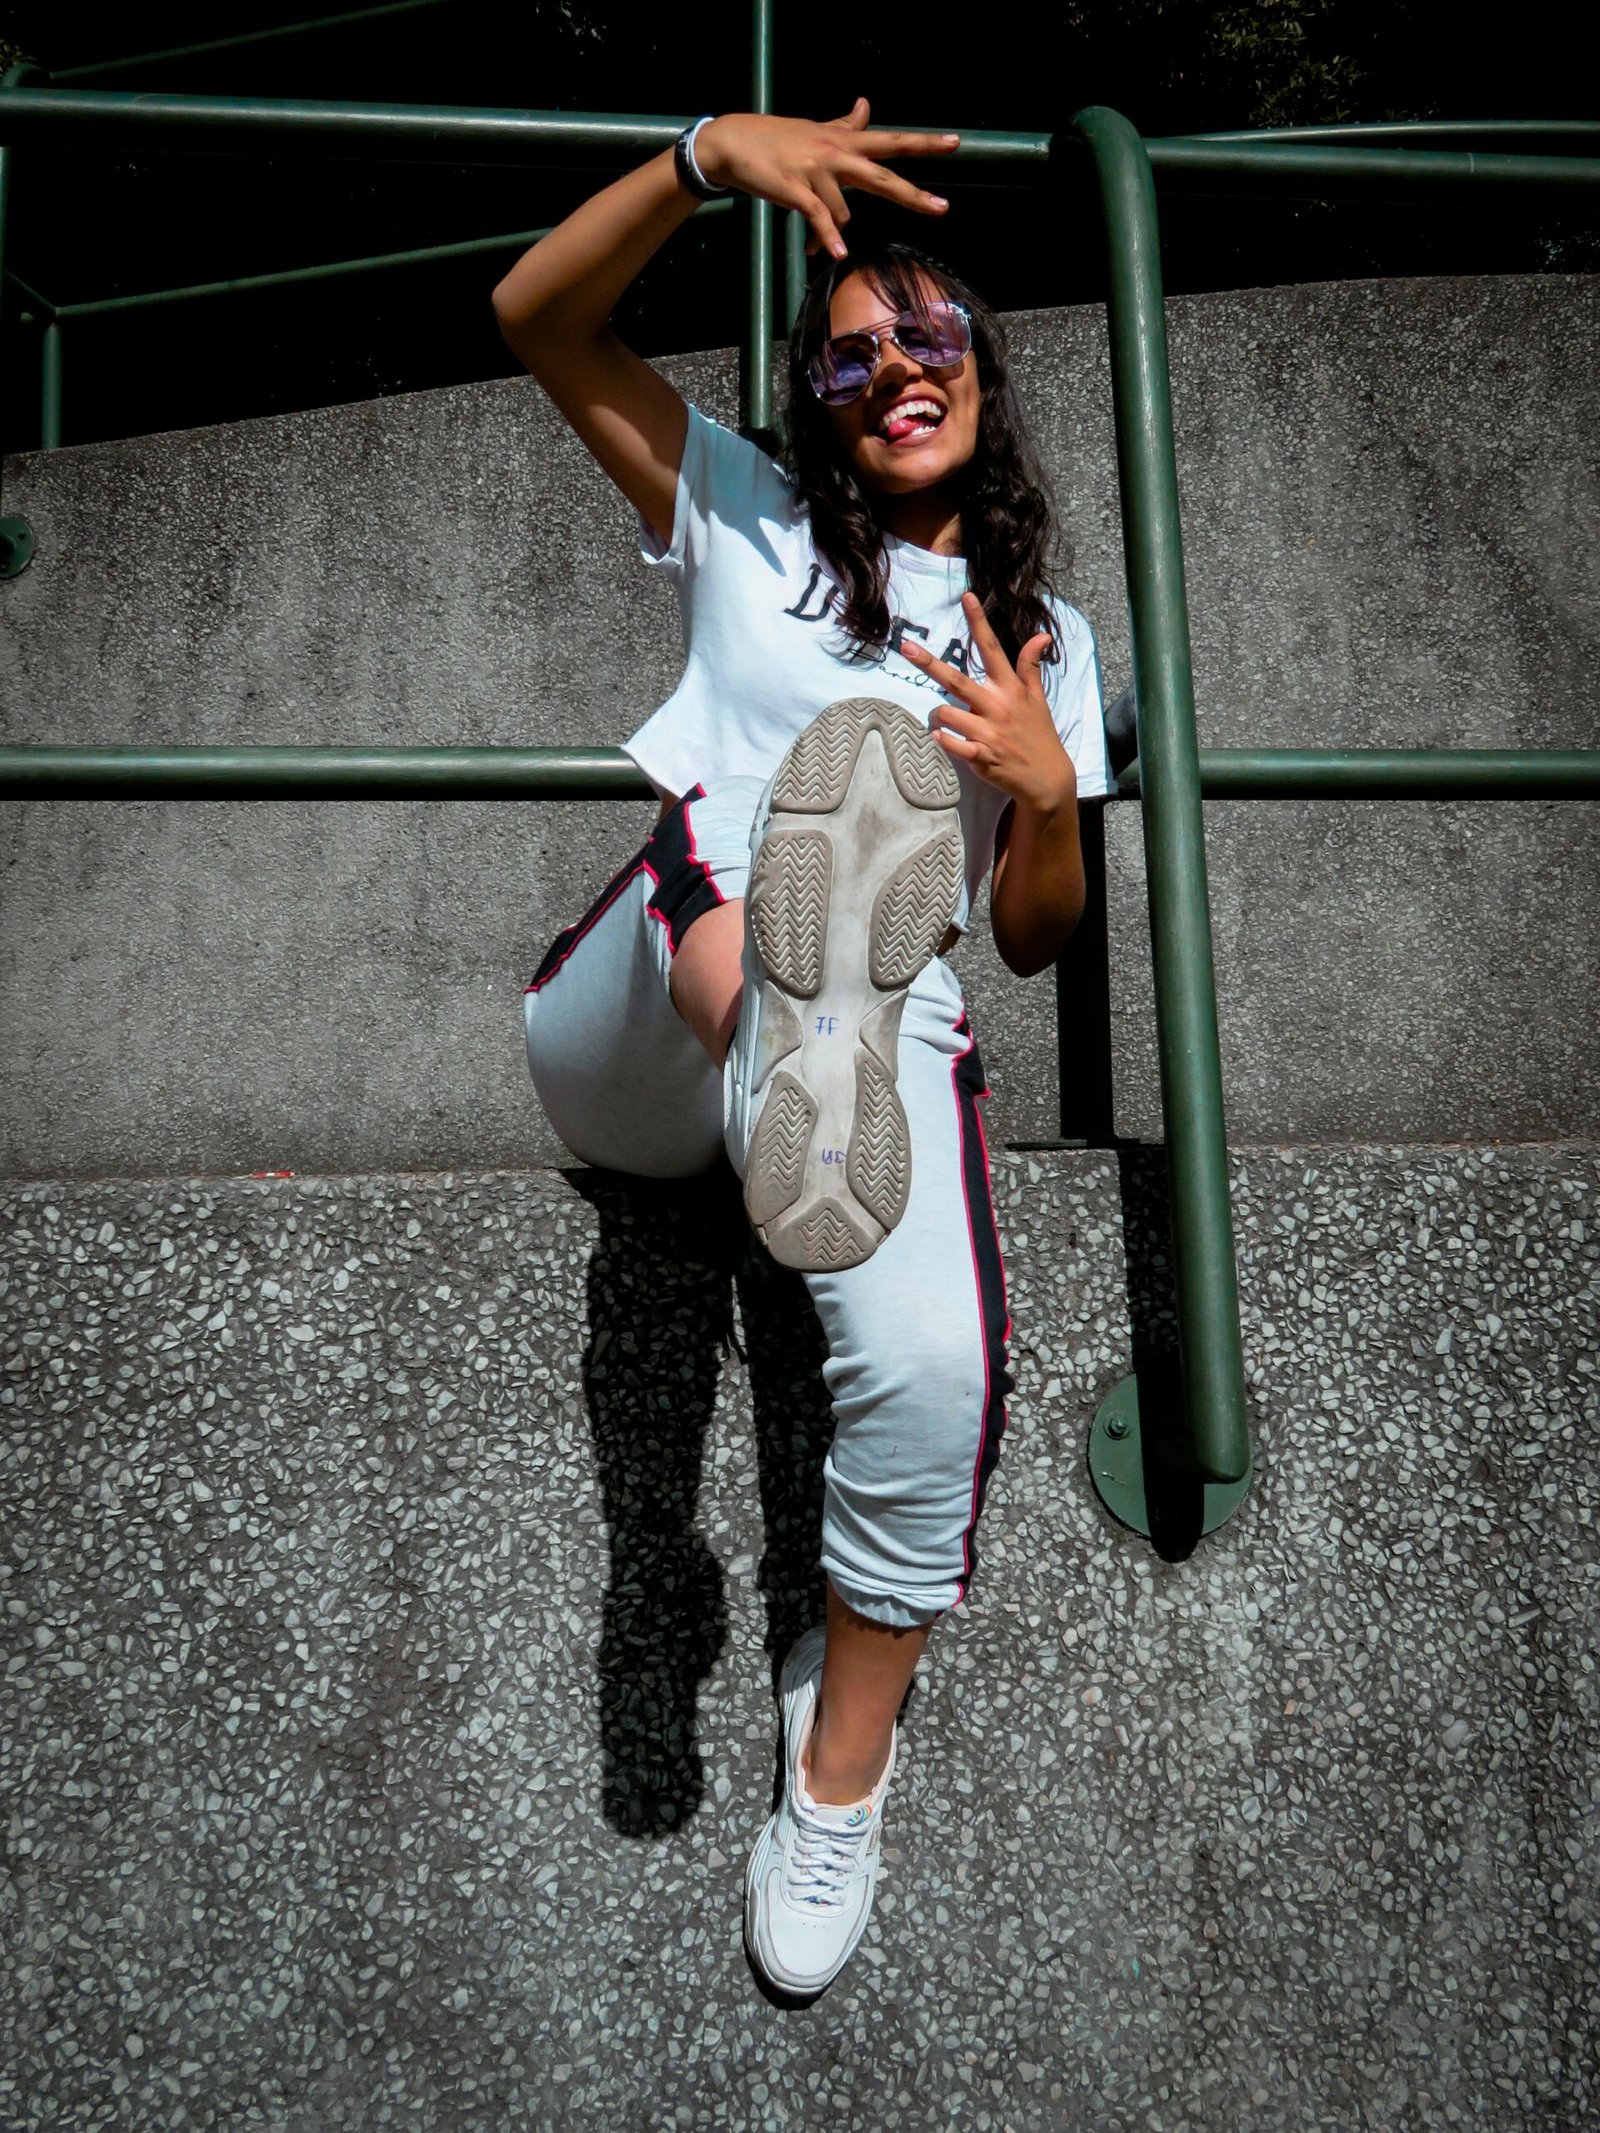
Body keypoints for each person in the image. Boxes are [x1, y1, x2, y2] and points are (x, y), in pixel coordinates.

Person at [492, 99, 1110, 1997]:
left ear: (983, 371)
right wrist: (697, 164)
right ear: (814, 398)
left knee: (930, 1365)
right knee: (732, 860)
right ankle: (783, 1034)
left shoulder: (1051, 642)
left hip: (894, 1016)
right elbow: (535, 316)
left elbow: (1027, 938)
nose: (891, 373)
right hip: (647, 1021)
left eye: (927, 340)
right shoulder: (745, 505)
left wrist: (1049, 797)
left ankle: (834, 1773)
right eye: (849, 352)